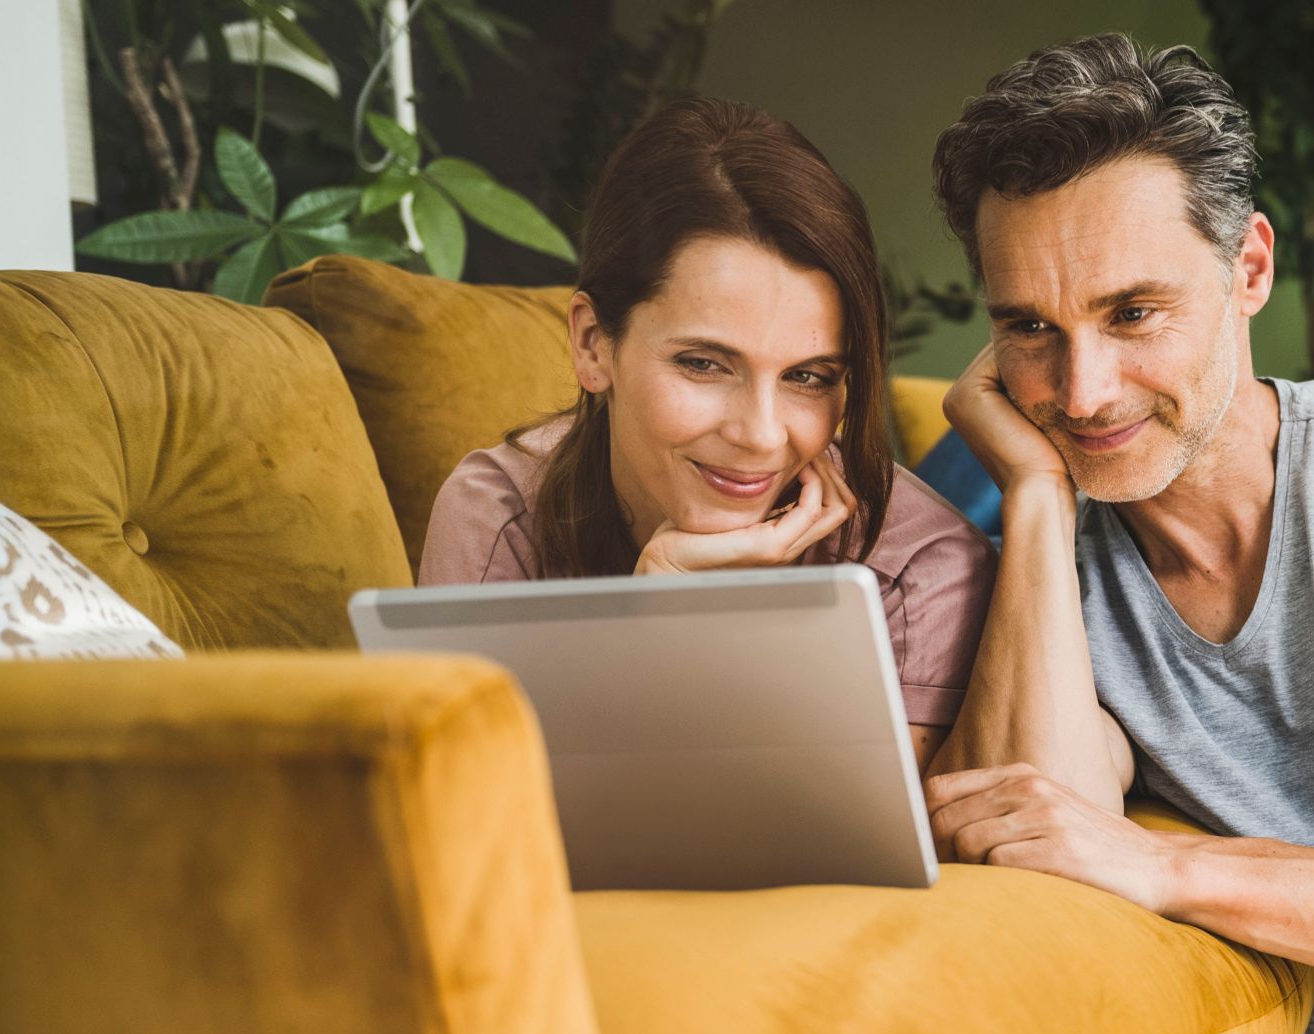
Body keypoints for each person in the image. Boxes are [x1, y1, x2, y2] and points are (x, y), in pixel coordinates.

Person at [923, 34, 1314, 1034]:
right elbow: (1029, 834)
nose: (1087, 390)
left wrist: (1170, 867)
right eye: (1031, 329)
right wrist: (1040, 498)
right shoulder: (1040, 577)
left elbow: (1112, 856)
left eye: (1134, 312)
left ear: (1249, 265)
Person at [419, 97, 997, 771]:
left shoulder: (917, 572)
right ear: (591, 345)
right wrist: (650, 619)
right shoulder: (499, 515)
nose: (758, 435)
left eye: (808, 377)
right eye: (703, 364)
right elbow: (465, 830)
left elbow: (854, 853)